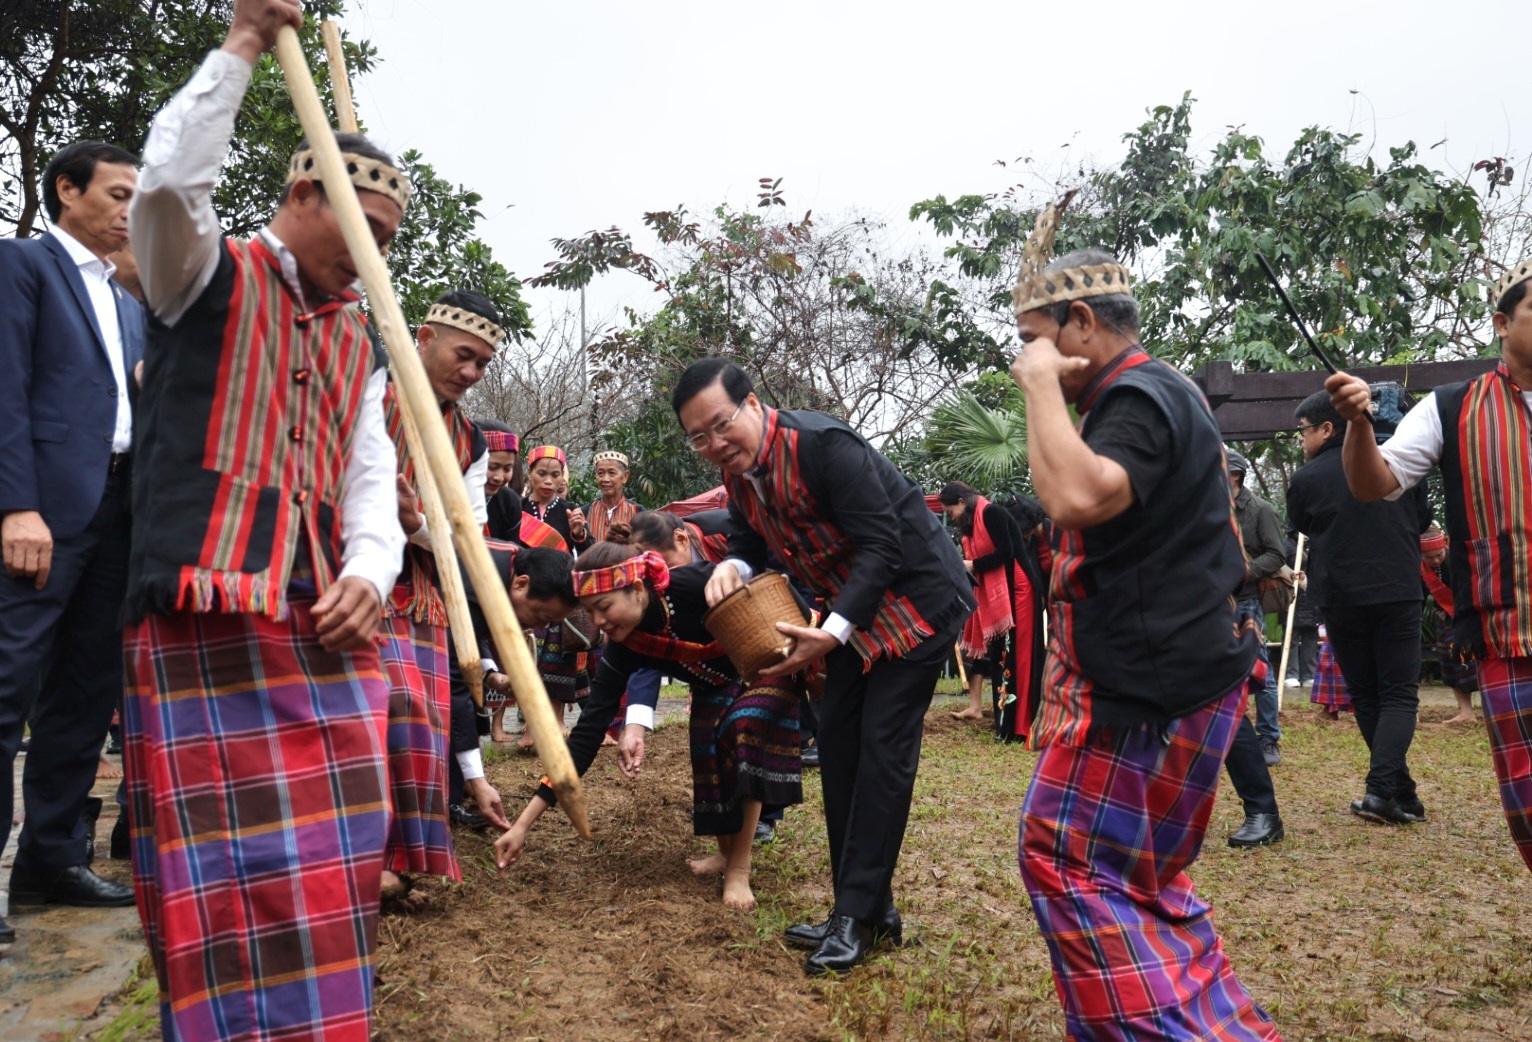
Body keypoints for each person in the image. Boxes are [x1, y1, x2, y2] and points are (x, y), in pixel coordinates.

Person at [120, 1, 408, 1035]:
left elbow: (368, 481)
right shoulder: (198, 269)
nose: (373, 259)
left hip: (313, 622)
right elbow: (165, 185)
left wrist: (370, 572)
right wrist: (242, 42)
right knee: (219, 873)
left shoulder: (360, 343)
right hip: (202, 616)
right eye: (364, 234)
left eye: (388, 244)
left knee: (334, 859)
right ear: (301, 194)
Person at [1006, 201, 1280, 1040]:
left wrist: (1040, 387)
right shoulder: (1151, 395)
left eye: (1036, 338)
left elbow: (1076, 496)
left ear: (1081, 323)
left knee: (1063, 853)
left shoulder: (1138, 394)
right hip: (1177, 680)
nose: (1025, 357)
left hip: (1153, 691)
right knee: (1141, 878)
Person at [673, 357, 973, 976]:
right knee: (838, 746)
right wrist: (735, 565)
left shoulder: (824, 446)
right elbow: (752, 538)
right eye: (698, 437)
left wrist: (831, 635)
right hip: (853, 618)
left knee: (882, 753)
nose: (714, 444)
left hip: (916, 605)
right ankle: (866, 908)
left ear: (752, 405)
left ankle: (855, 918)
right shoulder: (742, 477)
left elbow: (883, 544)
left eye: (721, 425)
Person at [1325, 259, 1532, 868]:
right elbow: (1373, 483)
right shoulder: (1451, 406)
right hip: (1508, 632)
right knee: (1527, 800)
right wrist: (1357, 425)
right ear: (1501, 323)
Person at [0, 138, 145, 935]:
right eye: (118, 194)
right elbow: (6, 391)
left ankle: (51, 861)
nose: (130, 210)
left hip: (116, 517)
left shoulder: (125, 302)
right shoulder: (22, 267)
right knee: (6, 688)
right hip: (43, 515)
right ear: (67, 190)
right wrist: (15, 505)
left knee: (86, 697)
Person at [496, 542, 802, 910]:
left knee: (742, 729)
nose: (598, 624)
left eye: (604, 608)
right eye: (590, 613)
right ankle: (724, 853)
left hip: (766, 666)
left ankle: (739, 869)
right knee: (707, 753)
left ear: (637, 590)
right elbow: (585, 738)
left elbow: (775, 581)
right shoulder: (625, 648)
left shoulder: (696, 586)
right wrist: (522, 825)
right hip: (712, 683)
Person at [378, 289, 502, 901]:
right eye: (464, 355)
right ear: (423, 337)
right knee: (363, 716)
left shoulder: (472, 442)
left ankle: (397, 863)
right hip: (340, 572)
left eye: (483, 363)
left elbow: (468, 535)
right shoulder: (364, 389)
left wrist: (417, 524)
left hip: (419, 588)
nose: (472, 373)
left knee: (415, 720)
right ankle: (343, 854)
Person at [1287, 389, 1431, 826]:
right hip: (1398, 588)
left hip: (1340, 593)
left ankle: (1394, 793)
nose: (1301, 440)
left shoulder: (1307, 478)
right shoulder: (1399, 463)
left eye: (1303, 431)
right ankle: (1387, 791)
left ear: (1328, 428)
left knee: (1367, 695)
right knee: (1399, 694)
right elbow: (1421, 520)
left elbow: (1302, 526)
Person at [936, 481, 1044, 742]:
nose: (952, 516)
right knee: (1000, 657)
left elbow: (1006, 553)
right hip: (1002, 591)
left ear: (962, 501)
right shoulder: (975, 522)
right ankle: (1006, 726)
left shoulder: (992, 513)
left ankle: (1019, 727)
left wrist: (974, 564)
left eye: (951, 511)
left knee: (1017, 657)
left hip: (1018, 589)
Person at [1226, 448, 1289, 765]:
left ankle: (1268, 738)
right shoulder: (1208, 509)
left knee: (1260, 671)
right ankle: (1218, 733)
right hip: (1215, 603)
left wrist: (1243, 571)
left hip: (1249, 600)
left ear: (1235, 475)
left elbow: (1277, 554)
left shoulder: (1261, 510)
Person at [1420, 527, 1479, 725]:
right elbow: (1419, 598)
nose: (1436, 560)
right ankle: (1466, 711)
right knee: (1449, 663)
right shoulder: (1421, 569)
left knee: (1469, 663)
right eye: (1430, 557)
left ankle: (1491, 708)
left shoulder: (1458, 560)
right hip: (1444, 619)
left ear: (1445, 545)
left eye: (1439, 555)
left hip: (1466, 617)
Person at [586, 450, 642, 542]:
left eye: (612, 473)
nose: (605, 479)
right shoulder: (586, 512)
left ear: (625, 476)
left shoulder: (638, 512)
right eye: (600, 473)